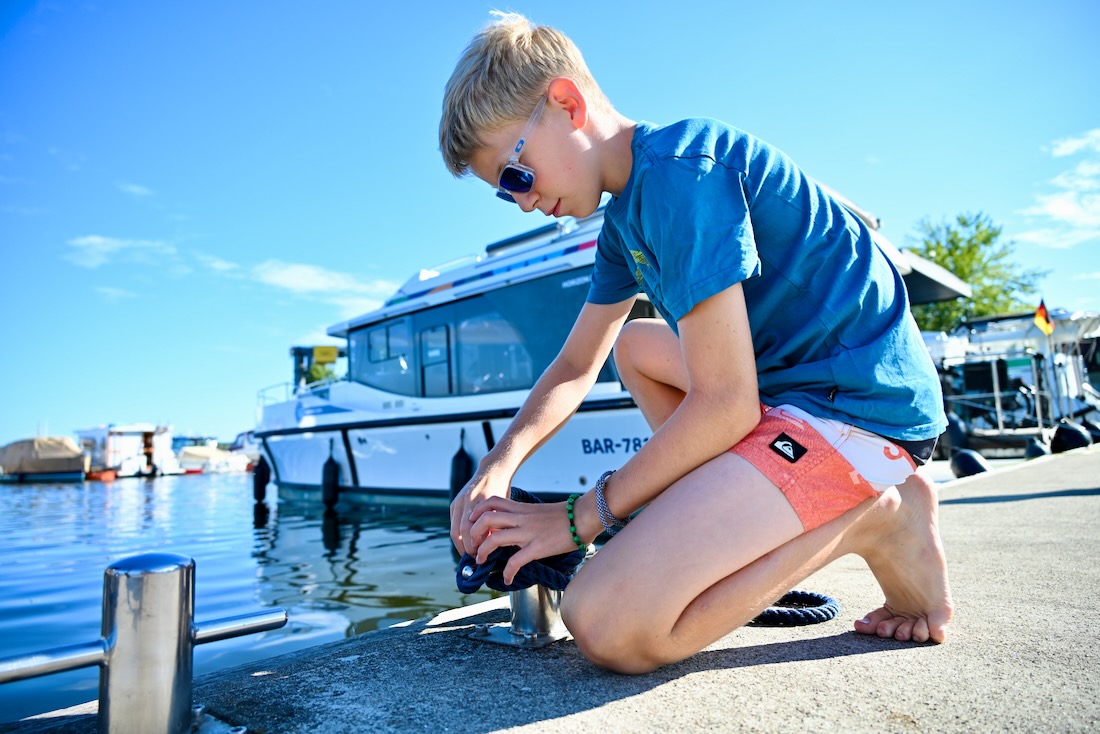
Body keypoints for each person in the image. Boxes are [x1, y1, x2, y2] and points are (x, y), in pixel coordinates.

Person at [439, 11, 953, 674]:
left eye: (517, 176)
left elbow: (725, 404)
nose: (525, 203)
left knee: (606, 622)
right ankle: (761, 502)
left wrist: (579, 518)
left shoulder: (681, 178)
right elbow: (575, 365)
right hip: (796, 389)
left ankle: (874, 514)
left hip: (861, 407)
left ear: (565, 103)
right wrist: (497, 467)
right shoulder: (626, 217)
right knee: (637, 347)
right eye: (507, 197)